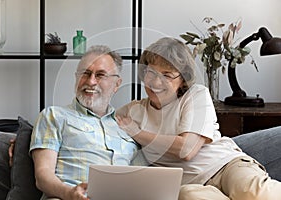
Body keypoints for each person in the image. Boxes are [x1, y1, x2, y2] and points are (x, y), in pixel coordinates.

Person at [115, 37, 281, 200]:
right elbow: (99, 121)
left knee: (253, 193)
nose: (156, 82)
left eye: (167, 75)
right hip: (192, 186)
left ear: (182, 79)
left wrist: (138, 133)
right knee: (189, 195)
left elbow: (186, 150)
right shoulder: (132, 111)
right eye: (151, 73)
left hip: (226, 167)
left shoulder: (195, 95)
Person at [29, 45, 141, 200]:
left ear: (117, 84)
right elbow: (43, 176)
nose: (91, 81)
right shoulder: (54, 116)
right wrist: (69, 194)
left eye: (100, 75)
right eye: (85, 73)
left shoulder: (127, 127)